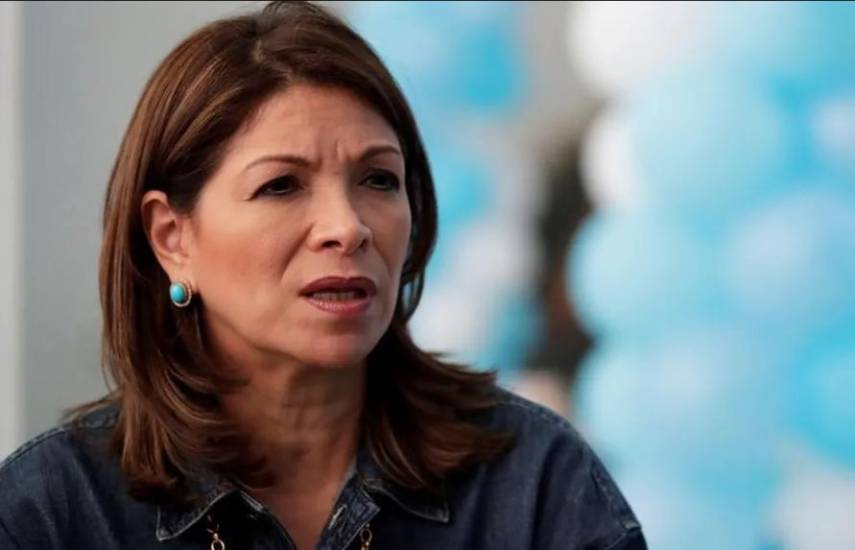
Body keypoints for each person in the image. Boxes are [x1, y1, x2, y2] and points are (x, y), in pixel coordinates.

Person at [0, 2, 646, 549]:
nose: (347, 226)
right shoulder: (56, 509)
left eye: (378, 180)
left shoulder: (532, 481)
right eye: (281, 185)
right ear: (172, 238)